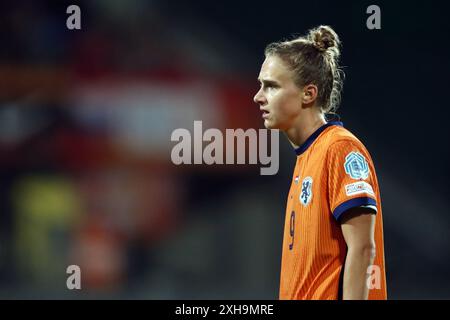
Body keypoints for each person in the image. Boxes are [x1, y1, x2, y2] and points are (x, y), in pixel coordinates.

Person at [253, 25, 387, 300]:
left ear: (308, 94)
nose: (259, 96)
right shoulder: (308, 158)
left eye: (271, 86)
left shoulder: (340, 149)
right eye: (261, 86)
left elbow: (363, 249)